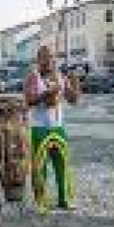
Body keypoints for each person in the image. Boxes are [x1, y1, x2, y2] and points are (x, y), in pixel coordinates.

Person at [24, 46, 80, 213]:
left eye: (52, 57)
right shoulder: (33, 77)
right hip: (39, 128)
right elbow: (28, 100)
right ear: (38, 59)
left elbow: (73, 100)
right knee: (39, 168)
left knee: (63, 165)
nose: (49, 60)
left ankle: (65, 199)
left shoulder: (61, 77)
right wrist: (46, 94)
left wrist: (75, 84)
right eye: (45, 57)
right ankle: (42, 202)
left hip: (58, 127)